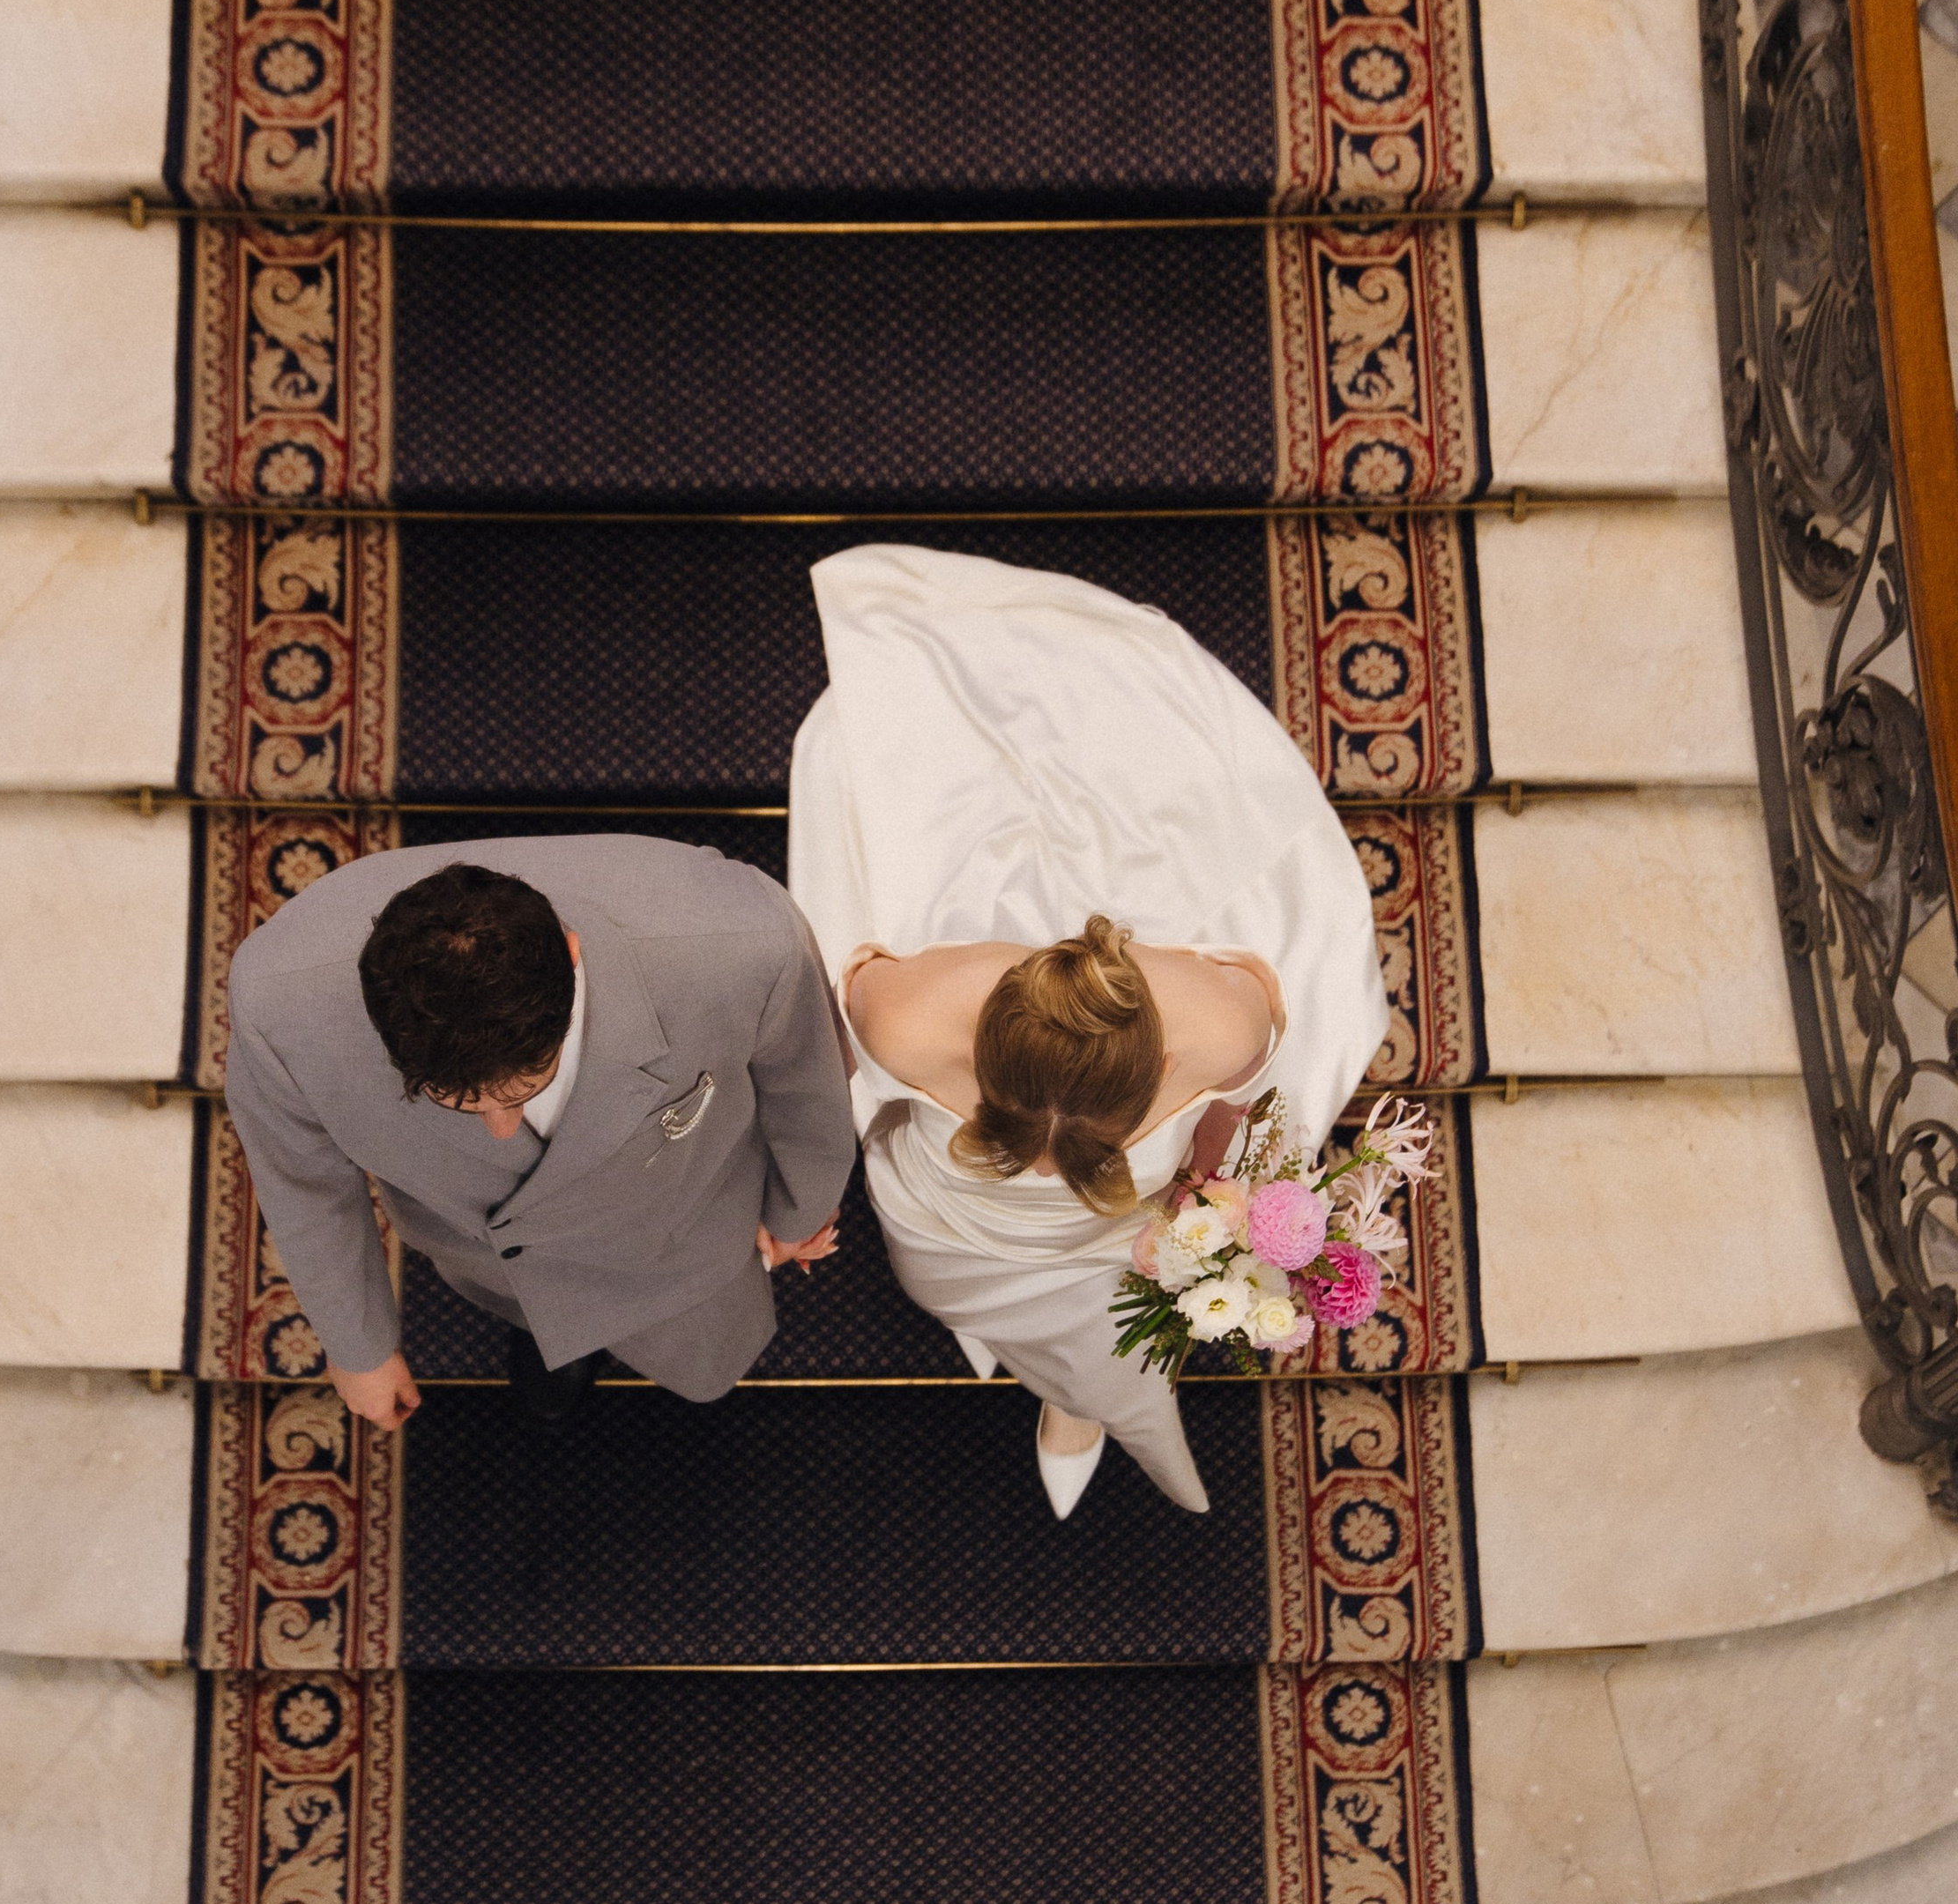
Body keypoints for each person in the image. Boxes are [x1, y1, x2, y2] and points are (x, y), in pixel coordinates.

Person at [787, 542, 1388, 1514]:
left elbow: (856, 967)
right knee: (1080, 1296)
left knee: (1090, 1306)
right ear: (1152, 1058)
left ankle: (1080, 1392)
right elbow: (1254, 987)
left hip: (954, 1217)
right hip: (1026, 1228)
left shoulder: (911, 1020)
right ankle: (1082, 1390)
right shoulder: (1216, 1028)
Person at [225, 837, 852, 1429]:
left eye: (522, 1091)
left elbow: (807, 1088)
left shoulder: (744, 946)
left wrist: (799, 1210)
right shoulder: (279, 1008)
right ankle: (549, 1332)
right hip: (490, 1257)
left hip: (682, 1235)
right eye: (458, 1103)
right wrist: (358, 1346)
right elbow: (304, 1184)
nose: (501, 1131)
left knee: (704, 1358)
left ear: (572, 954)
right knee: (526, 1305)